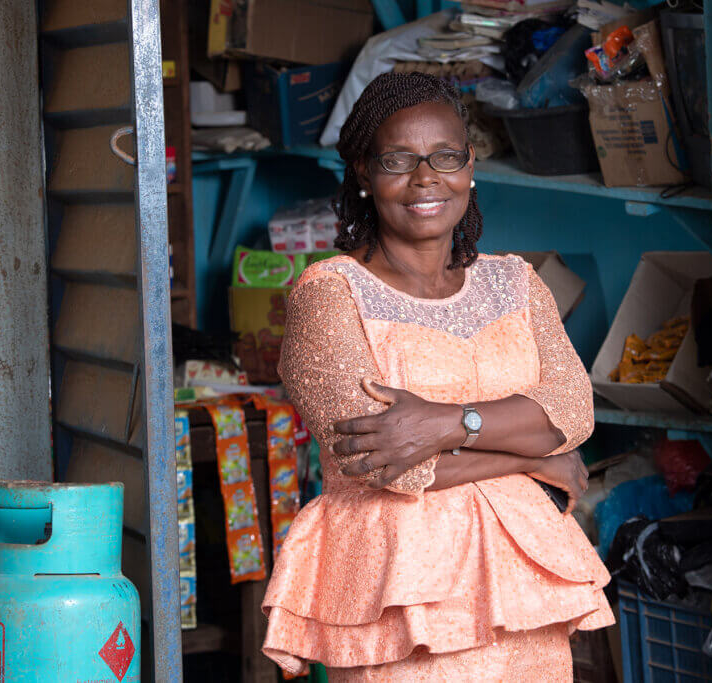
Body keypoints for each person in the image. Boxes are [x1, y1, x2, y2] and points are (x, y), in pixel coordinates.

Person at [262, 72, 613, 681]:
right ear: (365, 176)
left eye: (445, 157)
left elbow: (571, 412)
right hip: (399, 587)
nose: (426, 177)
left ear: (470, 168)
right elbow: (374, 462)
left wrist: (444, 423)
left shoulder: (517, 283)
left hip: (522, 578)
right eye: (398, 160)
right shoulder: (330, 295)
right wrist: (531, 460)